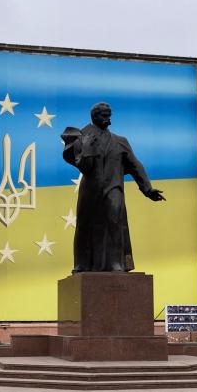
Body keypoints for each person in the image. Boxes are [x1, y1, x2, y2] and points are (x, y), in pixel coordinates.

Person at [61, 102, 165, 272]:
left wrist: (147, 189)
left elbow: (135, 165)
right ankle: (81, 263)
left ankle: (116, 263)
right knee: (85, 225)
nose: (108, 119)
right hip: (90, 190)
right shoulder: (81, 136)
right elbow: (84, 167)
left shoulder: (120, 141)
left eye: (109, 115)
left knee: (115, 223)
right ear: (94, 116)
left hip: (113, 188)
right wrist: (87, 146)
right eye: (104, 115)